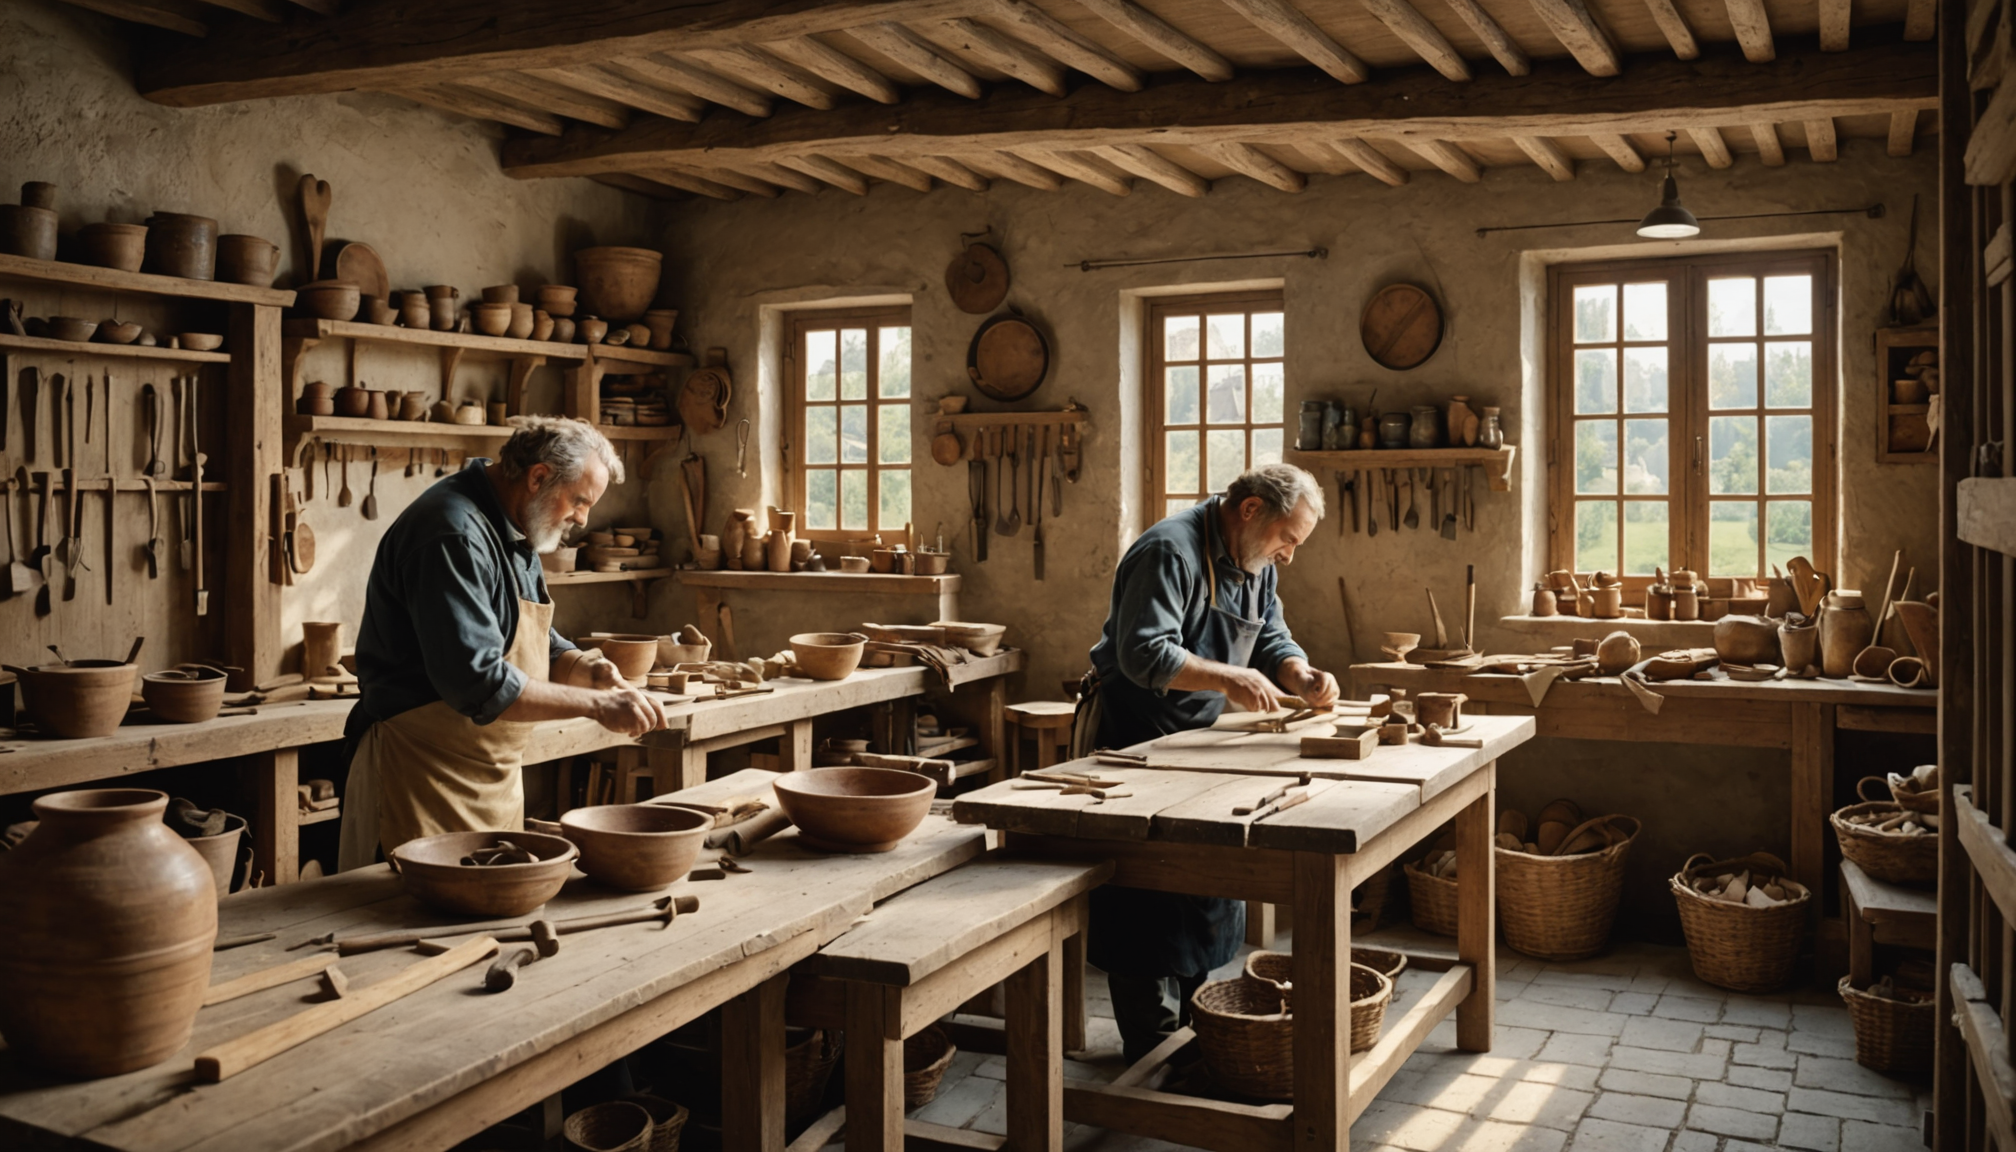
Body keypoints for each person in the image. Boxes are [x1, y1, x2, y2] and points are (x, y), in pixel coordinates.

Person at [1076, 463, 1340, 1063]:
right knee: (1147, 895)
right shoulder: (1169, 550)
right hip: (1135, 744)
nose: (1288, 556)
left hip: (1200, 744)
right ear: (1250, 511)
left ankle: (1204, 1031)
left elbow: (1270, 634)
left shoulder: (1254, 563)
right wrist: (1229, 676)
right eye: (1287, 539)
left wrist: (1300, 674)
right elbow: (1142, 651)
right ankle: (1151, 1048)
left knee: (1208, 885)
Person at [337, 417, 667, 871]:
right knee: (413, 926)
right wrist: (596, 706)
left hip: (486, 777)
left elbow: (536, 641)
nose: (582, 519)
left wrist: (590, 670)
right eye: (580, 501)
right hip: (419, 774)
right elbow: (478, 682)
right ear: (538, 478)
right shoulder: (451, 533)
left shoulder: (516, 527)